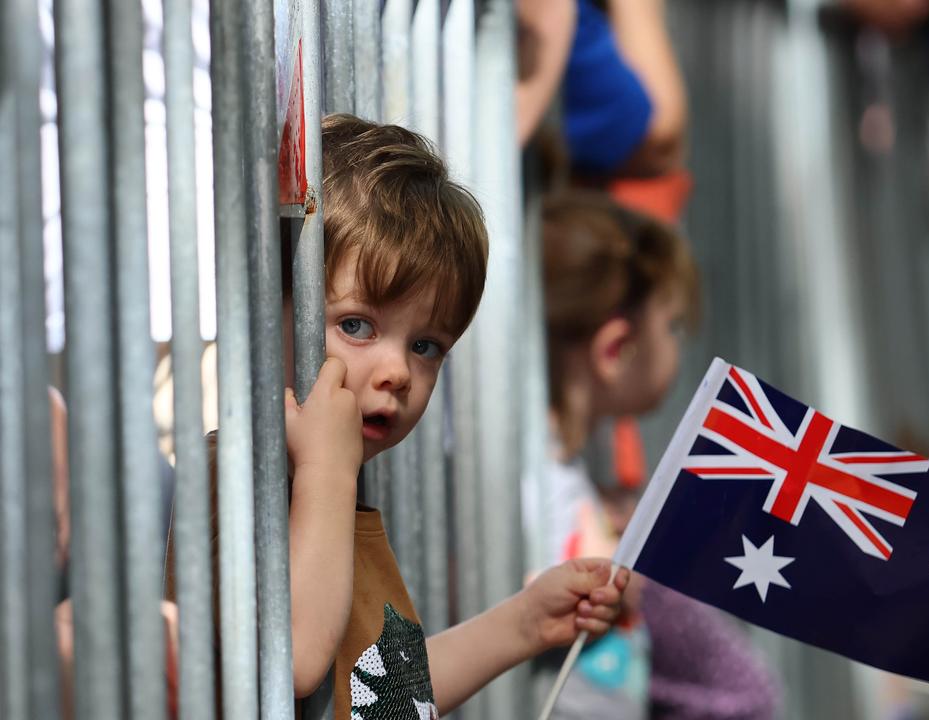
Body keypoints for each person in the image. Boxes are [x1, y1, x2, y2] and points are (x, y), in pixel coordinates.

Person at [164, 114, 628, 719]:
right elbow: (295, 659)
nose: (398, 372)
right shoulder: (236, 474)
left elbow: (384, 697)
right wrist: (328, 473)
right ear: (263, 309)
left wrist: (524, 624)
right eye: (356, 325)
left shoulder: (335, 490)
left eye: (426, 345)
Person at [531, 190, 694, 718]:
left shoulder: (563, 465)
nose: (676, 343)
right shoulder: (538, 479)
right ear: (615, 350)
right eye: (671, 325)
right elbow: (525, 601)